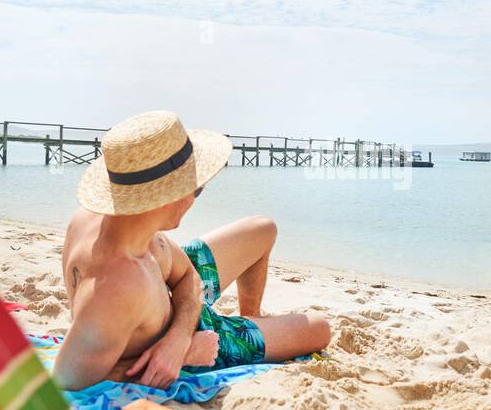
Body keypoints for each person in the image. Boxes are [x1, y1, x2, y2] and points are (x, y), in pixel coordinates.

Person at [52, 111, 331, 391]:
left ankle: (252, 319)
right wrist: (185, 353)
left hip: (177, 311)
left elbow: (188, 275)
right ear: (167, 197)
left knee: (263, 228)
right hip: (201, 337)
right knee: (319, 328)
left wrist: (178, 337)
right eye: (197, 189)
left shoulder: (106, 219)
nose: (196, 197)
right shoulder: (116, 286)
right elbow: (67, 381)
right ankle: (251, 336)